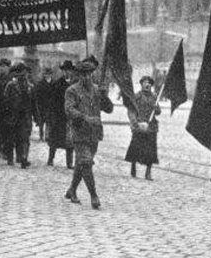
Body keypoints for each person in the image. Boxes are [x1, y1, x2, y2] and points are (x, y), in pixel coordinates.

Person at [64, 58, 114, 209]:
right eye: (83, 74)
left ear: (92, 74)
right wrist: (85, 118)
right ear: (79, 75)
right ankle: (94, 195)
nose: (86, 77)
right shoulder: (72, 90)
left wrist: (105, 96)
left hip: (94, 133)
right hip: (79, 132)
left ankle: (72, 189)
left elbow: (109, 109)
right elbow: (69, 109)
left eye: (89, 74)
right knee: (86, 162)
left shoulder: (97, 90)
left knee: (82, 163)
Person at [124, 75, 161, 180]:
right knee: (136, 147)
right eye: (145, 82)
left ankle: (148, 172)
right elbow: (131, 111)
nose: (147, 84)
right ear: (141, 84)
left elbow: (158, 112)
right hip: (139, 125)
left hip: (151, 127)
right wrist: (135, 123)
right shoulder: (137, 96)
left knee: (151, 150)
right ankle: (133, 166)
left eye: (149, 83)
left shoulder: (154, 97)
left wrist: (156, 108)